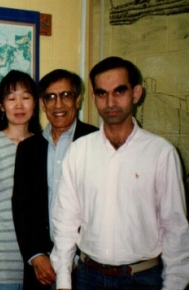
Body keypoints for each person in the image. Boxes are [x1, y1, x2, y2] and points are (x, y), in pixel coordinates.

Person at [50, 56, 189, 290]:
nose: (111, 101)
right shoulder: (79, 151)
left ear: (136, 93)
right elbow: (65, 221)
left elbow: (175, 228)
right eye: (102, 93)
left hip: (141, 280)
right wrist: (63, 281)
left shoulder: (161, 153)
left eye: (119, 91)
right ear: (93, 97)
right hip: (88, 278)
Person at [12, 69, 98, 290]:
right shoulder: (28, 148)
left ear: (78, 100)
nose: (58, 104)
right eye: (50, 97)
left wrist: (76, 257)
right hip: (40, 267)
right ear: (42, 104)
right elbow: (21, 207)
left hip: (85, 267)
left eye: (66, 95)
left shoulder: (96, 142)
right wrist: (35, 255)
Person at [0, 70, 40, 290]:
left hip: (38, 261)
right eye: (12, 99)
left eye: (26, 97)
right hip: (1, 262)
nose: (19, 105)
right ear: (2, 106)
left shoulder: (42, 146)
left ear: (35, 103)